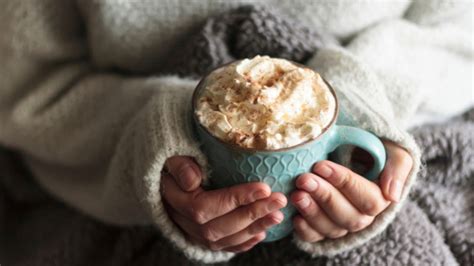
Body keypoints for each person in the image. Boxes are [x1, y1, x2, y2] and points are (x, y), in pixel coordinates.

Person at [0, 0, 471, 264]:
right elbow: (26, 85)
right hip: (109, 179)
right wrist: (151, 136)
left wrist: (366, 101)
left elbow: (458, 26)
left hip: (408, 119)